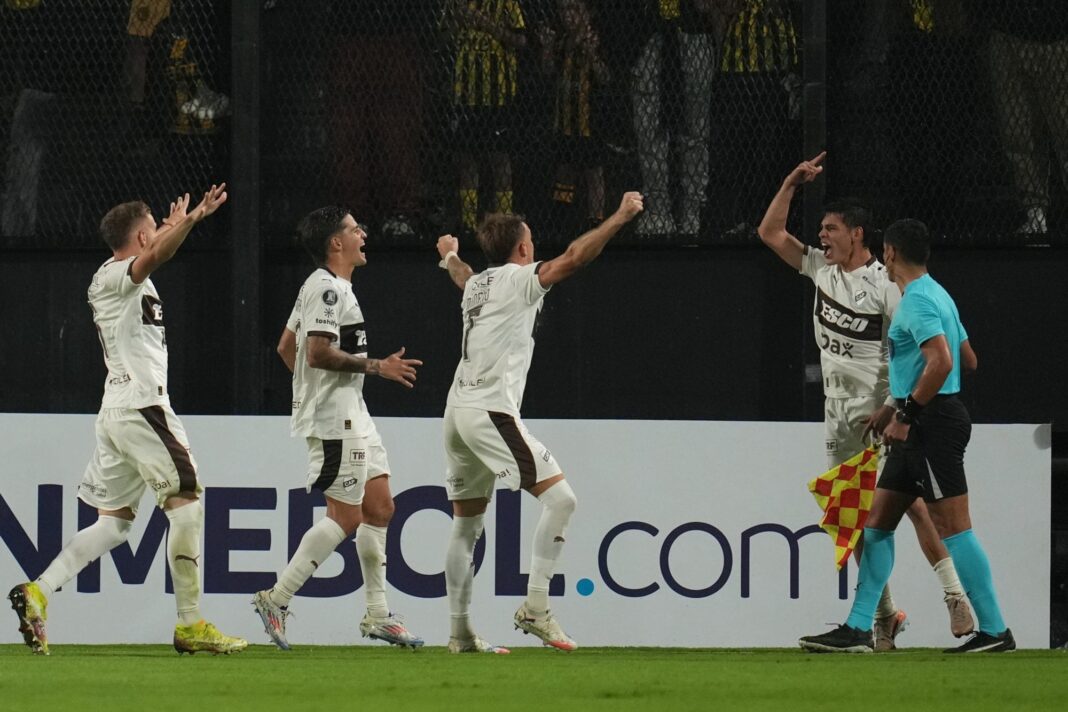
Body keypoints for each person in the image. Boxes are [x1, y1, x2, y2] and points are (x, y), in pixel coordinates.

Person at [7, 184, 248, 656]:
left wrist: (177, 225)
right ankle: (189, 623)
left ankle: (39, 590)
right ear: (140, 238)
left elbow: (157, 252)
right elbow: (154, 257)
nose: (159, 229)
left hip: (117, 410)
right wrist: (194, 218)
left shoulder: (124, 274)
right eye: (153, 224)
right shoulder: (116, 275)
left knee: (114, 524)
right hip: (142, 406)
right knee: (187, 500)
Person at [758, 152, 974, 651]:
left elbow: (921, 356)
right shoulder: (819, 270)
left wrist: (901, 409)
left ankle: (953, 596)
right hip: (837, 413)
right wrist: (790, 181)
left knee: (911, 507)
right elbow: (770, 234)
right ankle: (884, 616)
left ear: (858, 234)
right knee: (849, 518)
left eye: (831, 228)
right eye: (821, 228)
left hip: (883, 411)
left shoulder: (886, 287)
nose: (822, 236)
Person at [435, 190, 644, 653]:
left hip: (456, 412)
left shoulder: (478, 284)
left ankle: (459, 633)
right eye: (531, 243)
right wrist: (620, 216)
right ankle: (534, 607)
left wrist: (448, 253)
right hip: (490, 410)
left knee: (466, 526)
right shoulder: (519, 279)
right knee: (562, 500)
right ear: (524, 250)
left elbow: (461, 273)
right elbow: (573, 258)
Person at [799, 218, 1013, 653]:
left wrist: (907, 410)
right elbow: (969, 358)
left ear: (891, 253)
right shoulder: (939, 295)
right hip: (923, 419)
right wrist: (895, 402)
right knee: (875, 527)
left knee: (954, 528)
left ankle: (994, 630)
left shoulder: (914, 301)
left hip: (930, 423)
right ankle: (861, 627)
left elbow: (943, 362)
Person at [252, 207, 424, 650]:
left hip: (351, 411)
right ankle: (276, 598)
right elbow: (316, 353)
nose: (363, 233)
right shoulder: (327, 290)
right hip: (336, 418)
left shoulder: (323, 286)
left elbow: (286, 346)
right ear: (335, 243)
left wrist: (312, 392)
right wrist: (375, 368)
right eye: (353, 229)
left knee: (380, 506)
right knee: (345, 516)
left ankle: (378, 615)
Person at [442, 0, 528, 235]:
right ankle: (469, 222)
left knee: (500, 157)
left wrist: (485, 23)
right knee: (466, 157)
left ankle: (505, 223)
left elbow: (521, 40)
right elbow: (443, 37)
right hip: (465, 93)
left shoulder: (506, 3)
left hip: (497, 95)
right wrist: (457, 20)